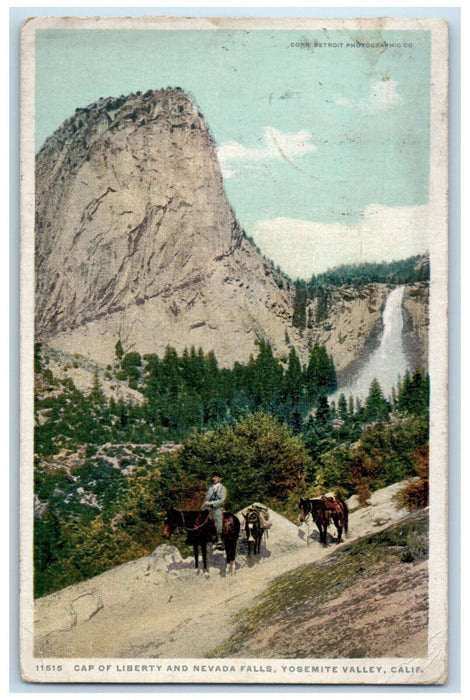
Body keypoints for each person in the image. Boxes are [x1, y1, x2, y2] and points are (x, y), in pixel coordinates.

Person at [202, 471, 227, 550]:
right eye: (213, 477)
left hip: (217, 507)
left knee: (217, 519)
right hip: (207, 506)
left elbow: (222, 500)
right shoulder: (210, 487)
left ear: (219, 479)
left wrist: (212, 503)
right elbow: (206, 497)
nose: (214, 479)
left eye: (215, 477)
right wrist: (204, 504)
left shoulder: (222, 488)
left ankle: (219, 538)